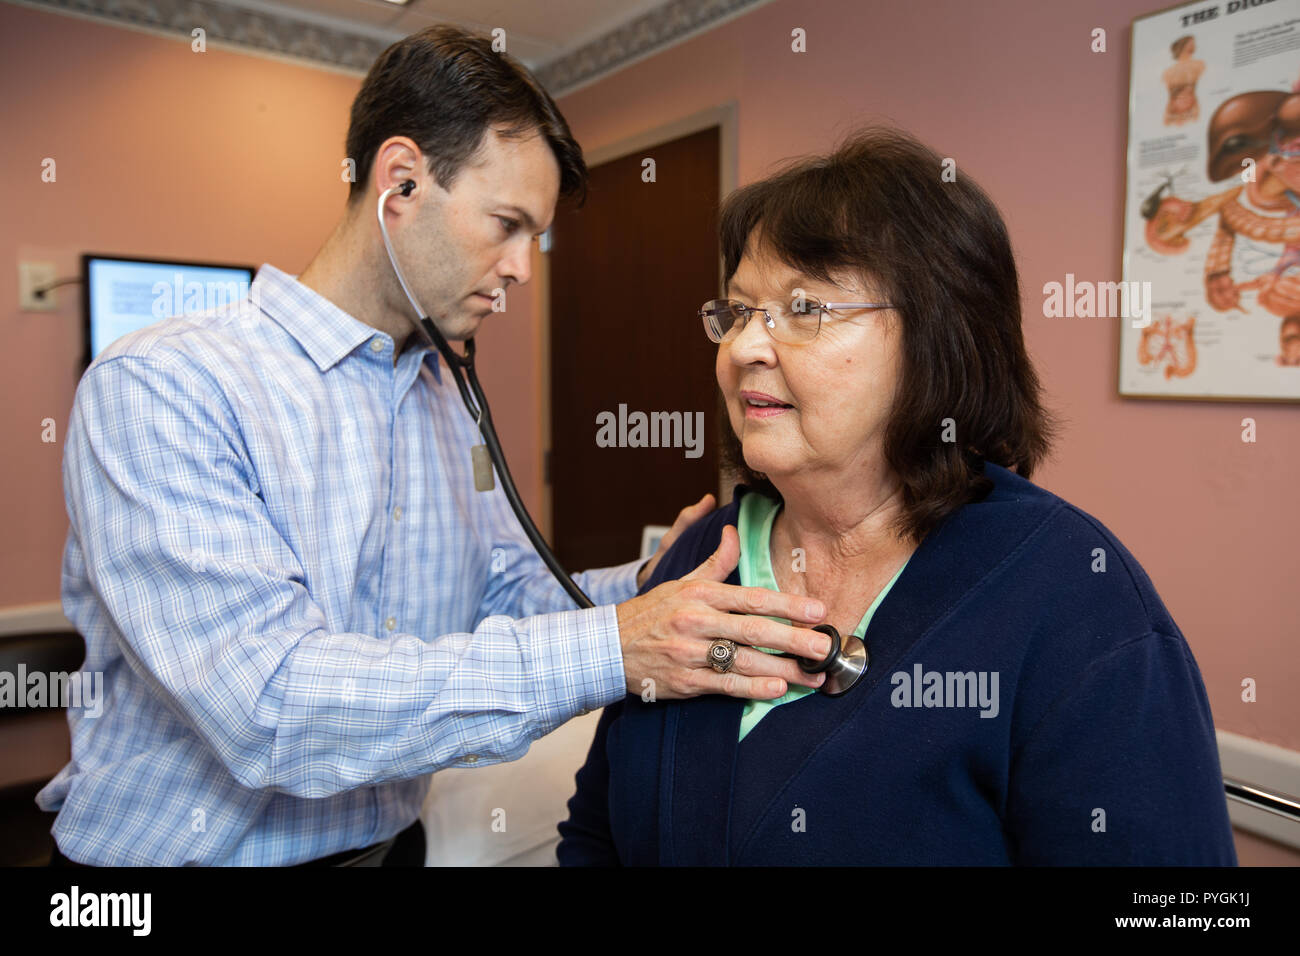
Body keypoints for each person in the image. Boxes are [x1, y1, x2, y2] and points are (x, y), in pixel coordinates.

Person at [39, 25, 835, 867]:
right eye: (506, 224)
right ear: (401, 182)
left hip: (391, 850)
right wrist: (616, 645)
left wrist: (644, 586)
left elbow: (497, 592)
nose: (524, 269)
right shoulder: (166, 385)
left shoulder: (444, 396)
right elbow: (269, 705)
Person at [558, 126, 1239, 865]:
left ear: (939, 337)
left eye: (804, 310)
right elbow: (596, 838)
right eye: (739, 311)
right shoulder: (702, 556)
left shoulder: (1077, 599)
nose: (746, 348)